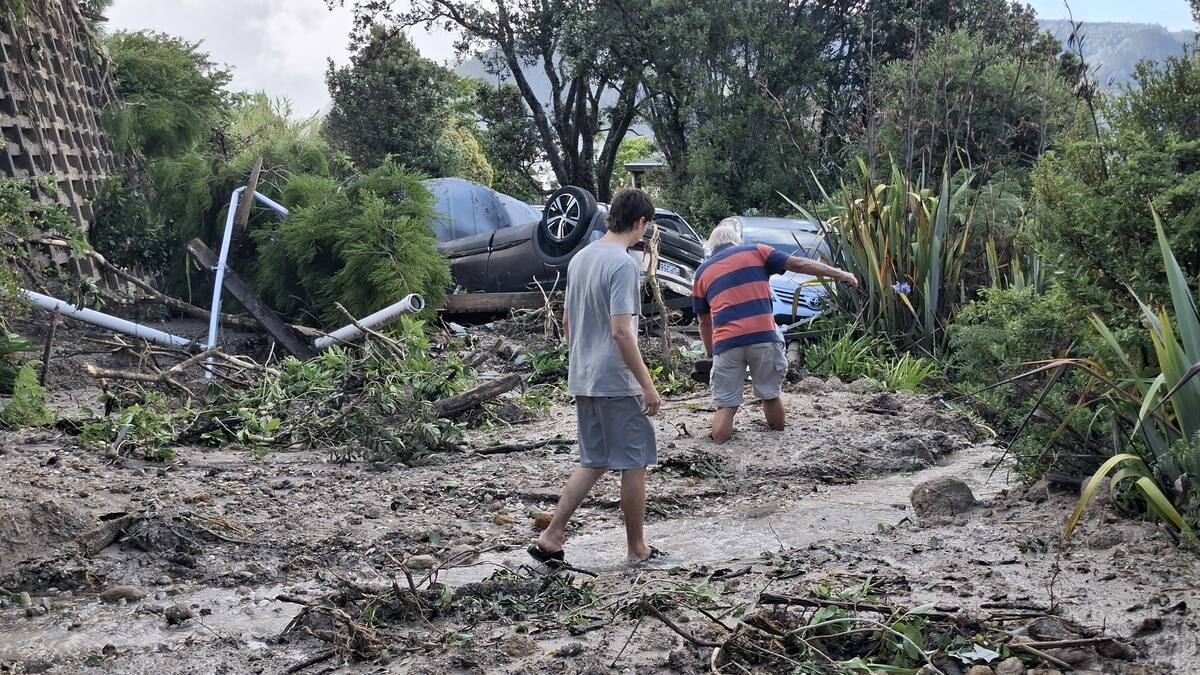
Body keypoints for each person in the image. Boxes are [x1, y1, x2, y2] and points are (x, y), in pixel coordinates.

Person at [529, 188, 665, 568]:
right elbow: (622, 332)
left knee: (595, 460)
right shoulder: (623, 264)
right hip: (614, 380)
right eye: (646, 227)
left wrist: (582, 358)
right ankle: (637, 549)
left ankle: (551, 536)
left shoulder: (581, 258)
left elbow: (569, 321)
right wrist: (647, 384)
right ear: (640, 223)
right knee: (635, 461)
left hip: (584, 375)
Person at [692, 222, 859, 443]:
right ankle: (778, 443)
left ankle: (718, 447)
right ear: (735, 241)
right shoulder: (756, 251)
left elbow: (704, 322)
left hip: (727, 343)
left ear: (712, 247)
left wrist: (711, 353)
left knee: (727, 405)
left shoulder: (701, 273)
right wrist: (839, 273)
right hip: (763, 338)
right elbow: (798, 264)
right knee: (770, 396)